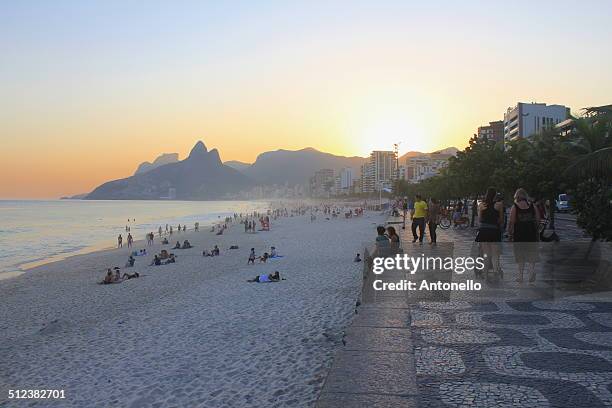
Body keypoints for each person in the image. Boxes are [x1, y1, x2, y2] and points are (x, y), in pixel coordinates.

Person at [508, 188, 540, 283]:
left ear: (517, 196)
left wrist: (510, 232)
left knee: (520, 255)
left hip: (519, 234)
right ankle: (531, 273)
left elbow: (512, 221)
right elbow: (538, 219)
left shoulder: (515, 207)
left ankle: (520, 277)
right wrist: (536, 229)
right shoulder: (532, 206)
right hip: (531, 233)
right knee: (531, 254)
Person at [476, 187, 505, 279]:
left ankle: (485, 273)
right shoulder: (499, 204)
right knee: (495, 253)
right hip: (494, 231)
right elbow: (501, 220)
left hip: (484, 231)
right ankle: (496, 271)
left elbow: (480, 219)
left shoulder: (481, 205)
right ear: (495, 195)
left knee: (486, 253)